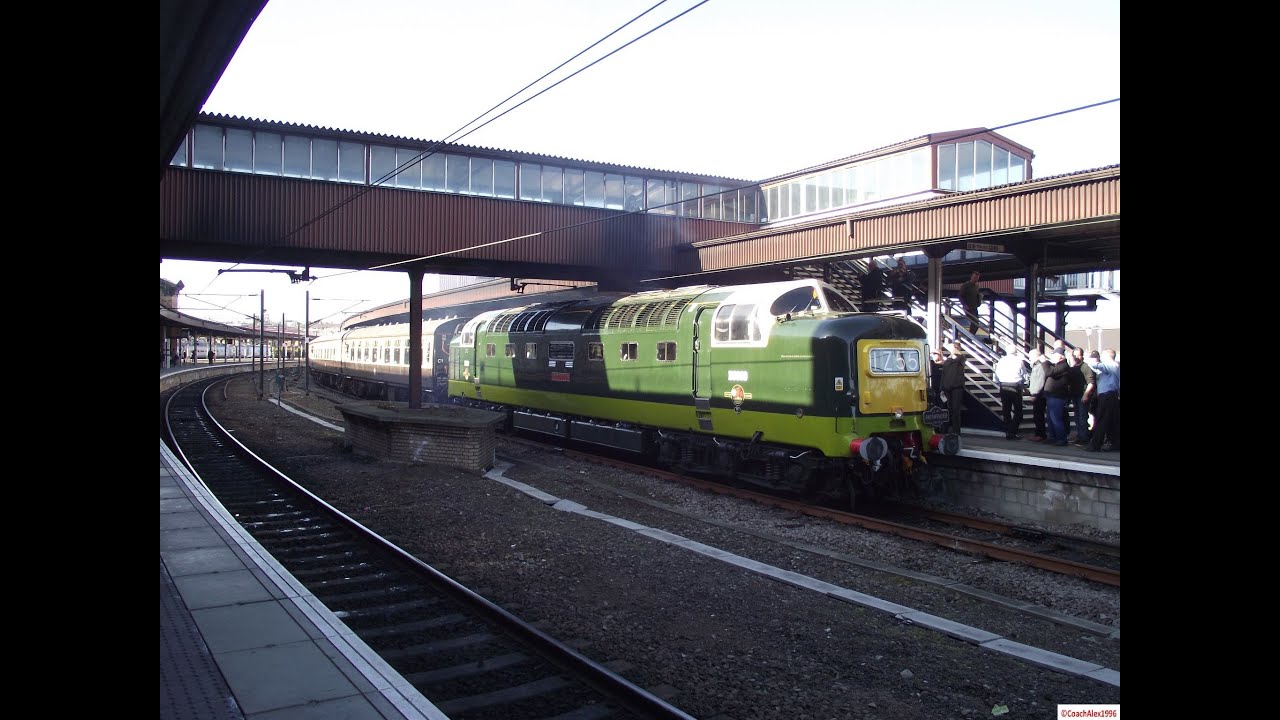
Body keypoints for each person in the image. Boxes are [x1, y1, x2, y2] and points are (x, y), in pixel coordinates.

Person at [1086, 348, 1121, 452]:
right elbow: (1098, 369)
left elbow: (1095, 365)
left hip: (1107, 396)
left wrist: (1090, 358)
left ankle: (1095, 445)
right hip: (1110, 396)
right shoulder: (1111, 367)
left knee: (1102, 419)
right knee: (1112, 421)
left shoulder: (1112, 365)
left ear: (1107, 356)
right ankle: (1116, 444)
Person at [993, 343, 1028, 440]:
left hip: (1004, 386)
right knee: (1018, 412)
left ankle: (1008, 431)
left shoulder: (1001, 361)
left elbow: (996, 376)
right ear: (1016, 351)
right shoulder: (1019, 361)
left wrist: (999, 382)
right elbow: (1025, 376)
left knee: (1006, 410)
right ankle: (1012, 431)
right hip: (1015, 386)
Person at [935, 341, 968, 435]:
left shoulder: (961, 359)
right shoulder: (948, 360)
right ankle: (945, 429)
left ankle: (956, 431)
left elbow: (959, 357)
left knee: (955, 410)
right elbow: (944, 375)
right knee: (947, 410)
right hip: (946, 388)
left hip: (956, 388)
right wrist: (941, 388)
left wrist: (954, 348)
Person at [1041, 348, 1072, 446]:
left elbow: (1049, 372)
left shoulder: (1064, 366)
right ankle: (1053, 437)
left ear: (1061, 357)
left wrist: (1044, 362)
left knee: (1056, 418)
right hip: (1051, 395)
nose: (1052, 357)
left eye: (1055, 355)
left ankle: (1061, 438)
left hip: (1057, 396)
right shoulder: (1057, 366)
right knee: (1051, 418)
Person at [1071, 347, 1096, 445]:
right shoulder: (1073, 367)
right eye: (1074, 355)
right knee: (1077, 417)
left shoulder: (1086, 367)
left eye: (1078, 355)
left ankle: (1084, 438)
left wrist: (1086, 395)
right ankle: (1080, 436)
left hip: (1082, 395)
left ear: (1082, 355)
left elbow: (1091, 382)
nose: (1076, 357)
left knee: (1082, 417)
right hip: (1075, 395)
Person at [1026, 347, 1048, 442]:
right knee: (1037, 415)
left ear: (1037, 356)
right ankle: (1039, 433)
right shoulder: (1035, 366)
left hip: (1039, 395)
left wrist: (1035, 395)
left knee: (1038, 415)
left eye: (1031, 356)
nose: (1029, 358)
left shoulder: (1040, 366)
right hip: (1037, 394)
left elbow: (1040, 381)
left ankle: (1040, 434)